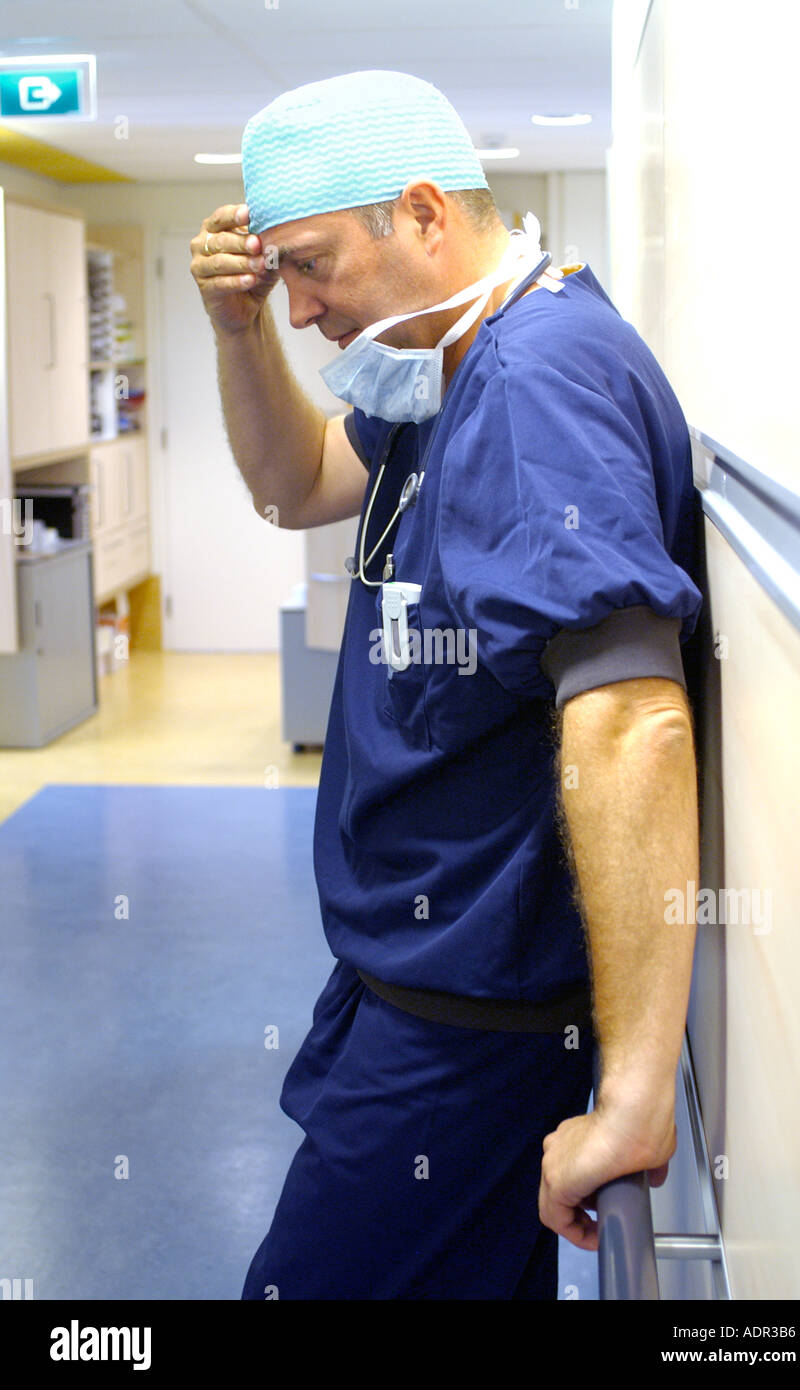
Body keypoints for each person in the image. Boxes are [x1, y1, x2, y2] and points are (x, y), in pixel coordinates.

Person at [190, 69, 702, 1300]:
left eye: (311, 267)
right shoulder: (437, 365)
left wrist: (631, 1099)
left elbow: (632, 718)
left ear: (422, 213)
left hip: (471, 1024)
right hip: (413, 988)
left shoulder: (533, 383)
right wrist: (239, 328)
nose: (303, 309)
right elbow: (295, 481)